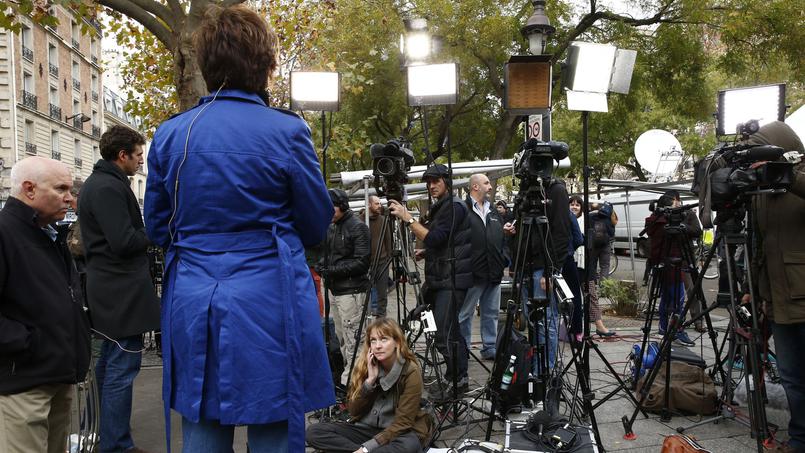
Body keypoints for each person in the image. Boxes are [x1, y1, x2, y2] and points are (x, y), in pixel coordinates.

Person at [143, 4, 334, 452]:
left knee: (203, 421)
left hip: (192, 295)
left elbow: (157, 226)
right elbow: (315, 222)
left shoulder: (171, 134)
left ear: (207, 65)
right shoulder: (286, 131)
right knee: (274, 423)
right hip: (269, 294)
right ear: (265, 65)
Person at [0, 157, 90, 453]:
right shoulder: (6, 233)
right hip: (23, 381)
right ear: (28, 189)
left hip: (55, 373)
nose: (70, 197)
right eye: (61, 188)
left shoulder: (48, 233)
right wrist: (27, 343)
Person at [79, 125, 161, 453]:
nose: (142, 160)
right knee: (121, 370)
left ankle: (103, 436)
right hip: (120, 292)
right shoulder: (107, 187)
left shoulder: (102, 183)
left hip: (112, 289)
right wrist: (157, 232)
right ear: (122, 155)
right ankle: (116, 445)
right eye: (138, 154)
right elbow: (124, 242)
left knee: (108, 367)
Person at [744, 121, 805, 453]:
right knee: (793, 379)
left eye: (761, 154)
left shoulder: (797, 178)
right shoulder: (764, 192)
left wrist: (789, 175)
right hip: (780, 299)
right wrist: (757, 290)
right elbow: (760, 248)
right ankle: (800, 439)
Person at [388, 163, 472, 394]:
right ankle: (455, 376)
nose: (432, 186)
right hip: (440, 278)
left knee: (444, 332)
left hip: (452, 279)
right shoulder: (442, 206)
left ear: (447, 181)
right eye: (429, 182)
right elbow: (447, 241)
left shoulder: (453, 206)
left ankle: (459, 380)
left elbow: (434, 237)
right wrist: (427, 252)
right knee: (440, 328)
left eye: (436, 181)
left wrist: (407, 218)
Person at [306, 318, 431, 453]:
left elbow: (403, 423)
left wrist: (366, 448)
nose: (377, 346)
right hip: (367, 429)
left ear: (397, 342)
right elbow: (353, 411)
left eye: (384, 339)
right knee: (314, 432)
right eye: (373, 340)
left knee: (409, 446)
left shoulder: (410, 370)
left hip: (399, 433)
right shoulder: (366, 365)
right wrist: (369, 382)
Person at [504, 147, 571, 373]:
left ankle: (547, 371)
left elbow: (562, 234)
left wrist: (551, 271)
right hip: (525, 266)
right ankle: (534, 368)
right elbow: (521, 226)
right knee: (532, 321)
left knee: (546, 322)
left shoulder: (556, 190)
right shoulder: (525, 191)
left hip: (542, 269)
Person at [319, 188, 371, 387]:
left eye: (330, 207)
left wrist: (331, 269)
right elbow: (331, 254)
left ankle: (355, 383)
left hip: (352, 290)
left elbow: (362, 262)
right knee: (342, 339)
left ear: (342, 206)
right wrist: (323, 264)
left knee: (354, 339)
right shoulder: (332, 226)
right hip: (336, 289)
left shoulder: (357, 227)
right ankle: (348, 379)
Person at [458, 173, 506, 360]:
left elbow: (500, 239)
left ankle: (489, 347)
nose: (491, 187)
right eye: (486, 183)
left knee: (491, 313)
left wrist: (504, 259)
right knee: (465, 314)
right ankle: (463, 348)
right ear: (475, 187)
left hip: (493, 271)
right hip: (472, 272)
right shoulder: (462, 209)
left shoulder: (493, 211)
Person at [644, 194, 695, 347]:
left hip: (660, 265)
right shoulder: (665, 224)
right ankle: (677, 330)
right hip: (672, 266)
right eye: (675, 204)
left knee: (665, 298)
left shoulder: (654, 221)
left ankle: (663, 327)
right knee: (677, 300)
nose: (678, 206)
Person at [570, 196, 614, 337]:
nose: (574, 207)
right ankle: (574, 329)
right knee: (573, 298)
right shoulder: (564, 220)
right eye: (572, 204)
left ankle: (599, 326)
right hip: (570, 264)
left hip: (585, 264)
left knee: (591, 295)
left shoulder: (588, 220)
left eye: (577, 204)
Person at [367, 195, 393, 318]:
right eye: (376, 203)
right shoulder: (362, 220)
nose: (379, 206)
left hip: (382, 262)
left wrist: (389, 257)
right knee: (367, 291)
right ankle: (367, 315)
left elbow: (388, 240)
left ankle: (381, 318)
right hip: (367, 262)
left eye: (379, 203)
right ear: (369, 204)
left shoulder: (383, 220)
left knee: (382, 292)